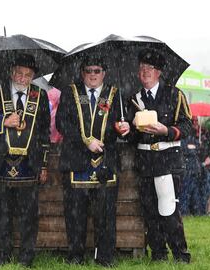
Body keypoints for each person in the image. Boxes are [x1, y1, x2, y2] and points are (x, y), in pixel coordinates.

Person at [56, 56, 130, 267]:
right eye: (88, 70)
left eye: (97, 70)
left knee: (106, 214)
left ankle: (105, 257)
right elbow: (62, 123)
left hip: (106, 161)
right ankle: (76, 256)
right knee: (75, 213)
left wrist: (125, 128)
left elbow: (124, 123)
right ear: (82, 73)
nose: (92, 74)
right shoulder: (71, 93)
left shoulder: (116, 95)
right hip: (76, 160)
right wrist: (85, 140)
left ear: (104, 72)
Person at [0, 54, 50, 267]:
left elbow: (44, 132)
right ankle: (3, 255)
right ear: (12, 72)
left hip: (30, 162)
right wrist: (3, 121)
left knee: (29, 215)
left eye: (28, 74)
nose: (23, 78)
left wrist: (44, 164)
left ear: (33, 76)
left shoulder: (41, 96)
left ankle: (27, 257)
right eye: (19, 73)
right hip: (0, 161)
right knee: (1, 213)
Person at [126, 49, 191, 263]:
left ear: (159, 72)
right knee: (150, 211)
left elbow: (187, 126)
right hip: (145, 161)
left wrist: (166, 131)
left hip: (168, 159)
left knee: (168, 209)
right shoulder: (133, 100)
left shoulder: (175, 95)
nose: (145, 72)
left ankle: (181, 255)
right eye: (141, 69)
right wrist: (128, 129)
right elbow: (132, 137)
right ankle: (158, 254)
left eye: (149, 69)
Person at [180, 119, 202, 215]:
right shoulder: (184, 140)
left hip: (194, 170)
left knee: (194, 192)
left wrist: (193, 148)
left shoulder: (194, 139)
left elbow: (196, 149)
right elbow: (187, 150)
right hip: (187, 169)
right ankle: (184, 211)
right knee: (185, 192)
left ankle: (195, 211)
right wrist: (193, 149)